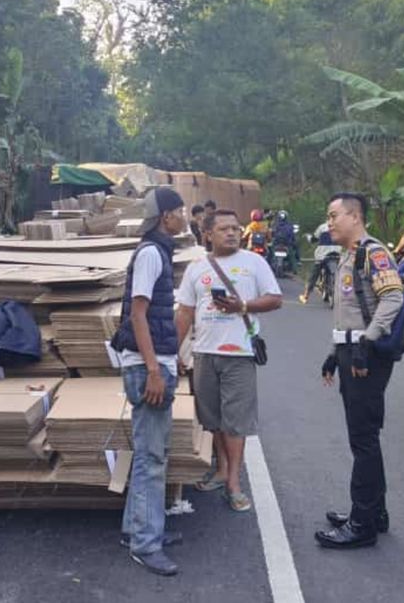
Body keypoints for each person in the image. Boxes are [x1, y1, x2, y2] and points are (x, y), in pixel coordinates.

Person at [176, 209, 282, 512]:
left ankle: (234, 482)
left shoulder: (254, 262)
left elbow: (274, 298)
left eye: (235, 228)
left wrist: (243, 305)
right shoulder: (197, 268)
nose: (233, 233)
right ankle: (221, 469)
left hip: (240, 354)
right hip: (205, 354)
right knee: (213, 420)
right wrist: (171, 351)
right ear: (207, 234)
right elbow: (185, 312)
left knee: (235, 423)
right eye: (224, 229)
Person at [315, 192, 404, 550]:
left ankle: (361, 523)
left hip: (366, 356)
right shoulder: (349, 255)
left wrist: (367, 342)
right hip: (350, 351)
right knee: (366, 438)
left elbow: (393, 297)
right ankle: (373, 512)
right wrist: (335, 354)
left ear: (355, 216)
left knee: (363, 440)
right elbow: (349, 314)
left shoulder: (373, 252)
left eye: (335, 215)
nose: (330, 222)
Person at [110, 188, 189, 577]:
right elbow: (139, 316)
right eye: (179, 210)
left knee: (151, 452)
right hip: (147, 368)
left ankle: (137, 528)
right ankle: (145, 543)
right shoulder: (150, 253)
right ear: (165, 217)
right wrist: (155, 370)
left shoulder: (158, 251)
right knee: (151, 458)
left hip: (154, 362)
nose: (184, 216)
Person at [300, 223, 341, 304]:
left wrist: (308, 237)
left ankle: (306, 295)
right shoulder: (340, 227)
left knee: (314, 275)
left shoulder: (322, 227)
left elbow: (313, 240)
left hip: (322, 256)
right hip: (337, 255)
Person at [271, 210, 300, 274]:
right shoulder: (289, 225)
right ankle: (295, 269)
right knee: (292, 256)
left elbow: (272, 233)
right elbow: (292, 236)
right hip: (286, 244)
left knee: (270, 253)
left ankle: (268, 267)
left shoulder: (275, 224)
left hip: (277, 243)